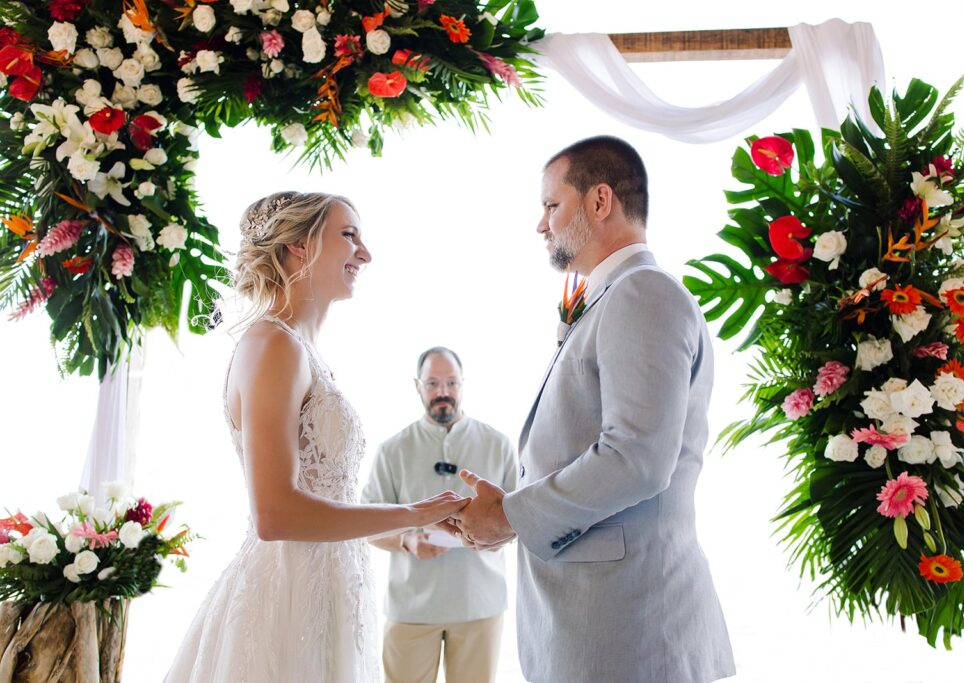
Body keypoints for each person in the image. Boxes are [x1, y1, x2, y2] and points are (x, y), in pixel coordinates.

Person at [449, 137, 736, 683]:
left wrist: (510, 514)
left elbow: (636, 458)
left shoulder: (642, 294)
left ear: (599, 201)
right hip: (603, 624)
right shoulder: (614, 296)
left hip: (630, 630)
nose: (541, 225)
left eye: (551, 206)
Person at [165, 192, 468, 682]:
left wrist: (412, 526)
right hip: (285, 599)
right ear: (298, 246)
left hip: (332, 591)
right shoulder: (272, 345)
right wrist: (413, 513)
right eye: (349, 236)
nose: (365, 254)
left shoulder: (305, 351)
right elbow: (274, 513)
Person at [362, 347, 518, 683]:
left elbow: (521, 519)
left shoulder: (499, 444)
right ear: (417, 386)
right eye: (433, 383)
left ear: (463, 384)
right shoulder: (392, 451)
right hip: (411, 608)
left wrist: (494, 534)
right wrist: (408, 541)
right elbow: (367, 526)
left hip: (480, 604)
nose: (443, 392)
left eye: (451, 382)